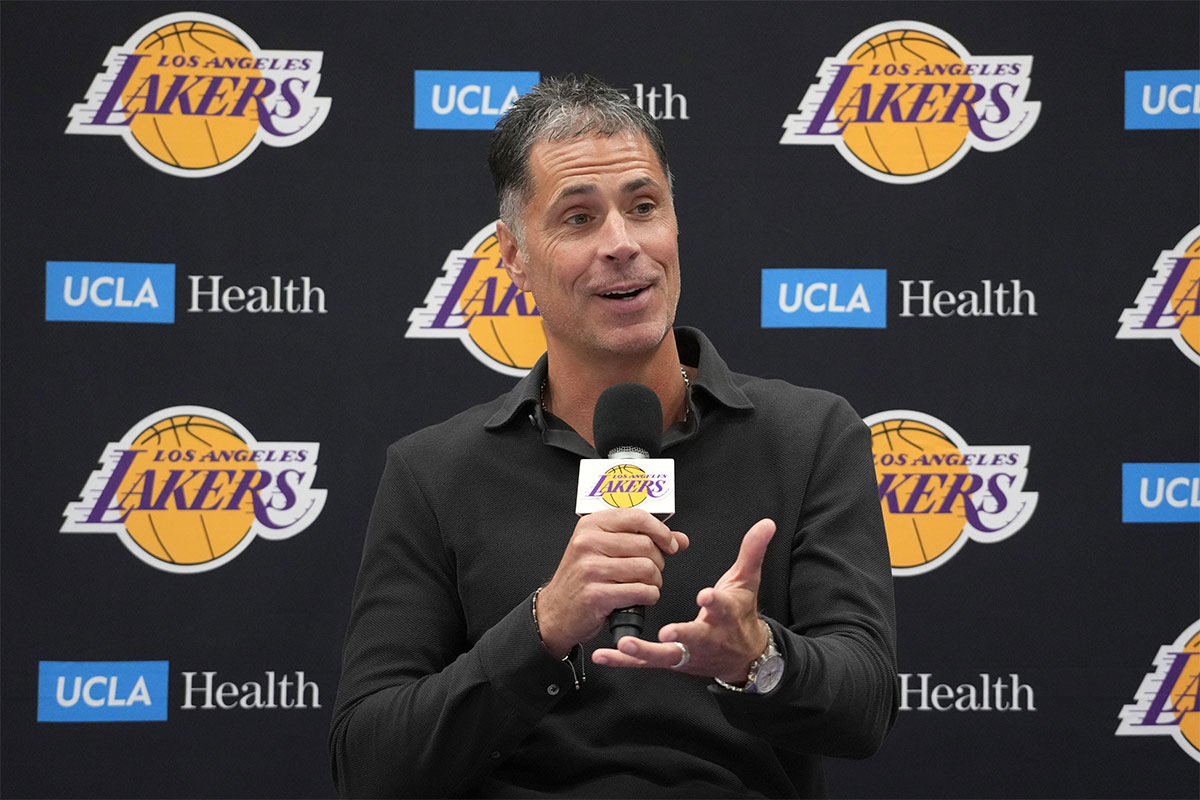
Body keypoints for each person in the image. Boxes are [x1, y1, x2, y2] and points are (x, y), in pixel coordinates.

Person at [330, 75, 898, 798]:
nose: (623, 244)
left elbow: (866, 709)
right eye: (578, 218)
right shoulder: (433, 472)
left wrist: (757, 656)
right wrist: (541, 628)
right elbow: (368, 766)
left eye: (643, 207)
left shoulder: (811, 436)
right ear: (512, 254)